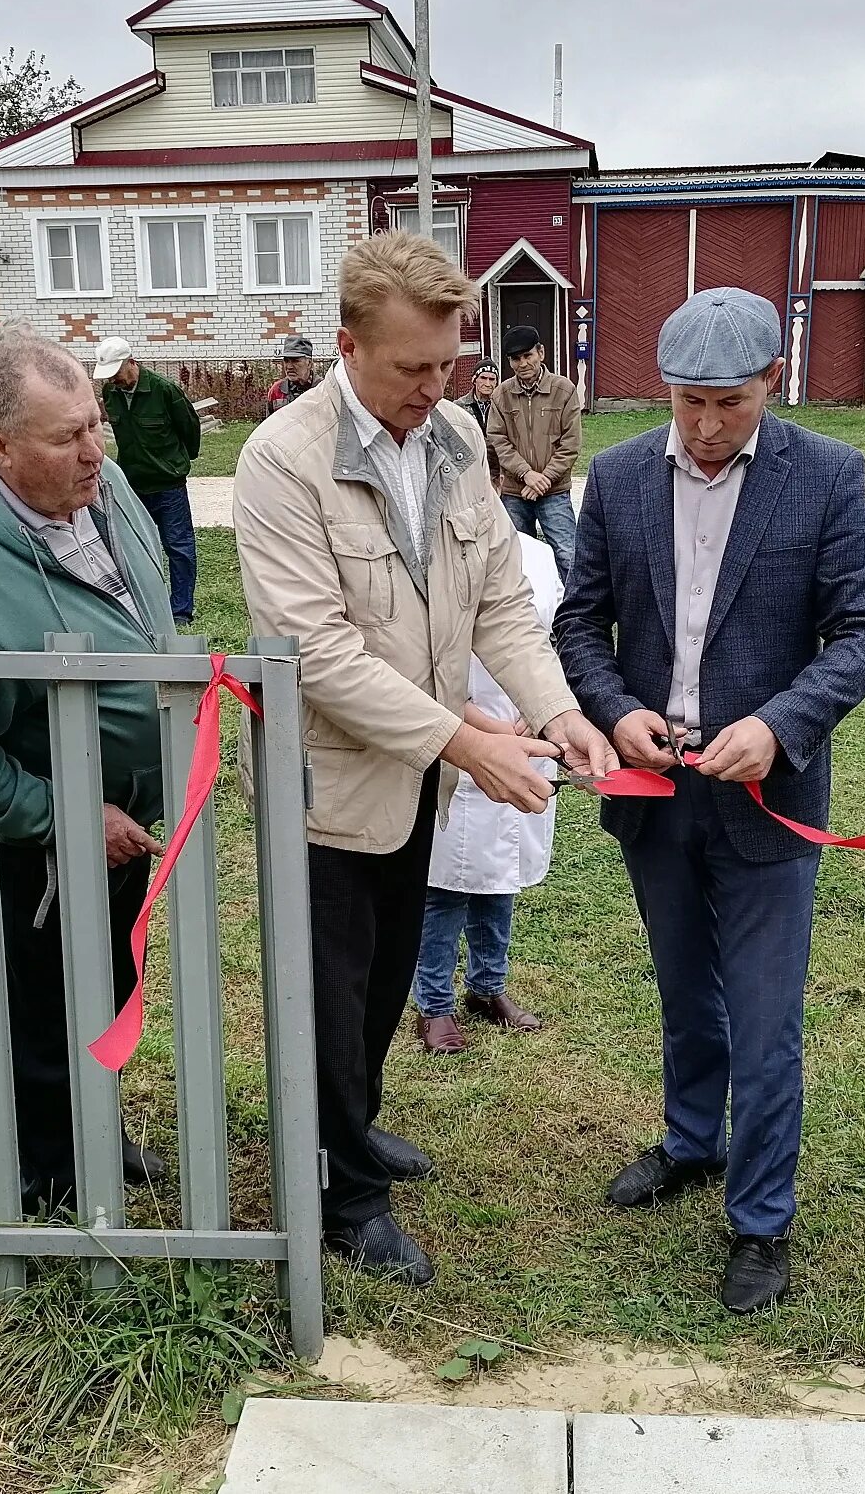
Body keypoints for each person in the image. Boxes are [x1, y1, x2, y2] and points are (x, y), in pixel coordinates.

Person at [233, 229, 617, 1286]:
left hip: (419, 778)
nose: (435, 388)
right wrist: (466, 740)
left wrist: (558, 711)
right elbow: (316, 653)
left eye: (448, 364)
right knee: (329, 995)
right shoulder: (282, 460)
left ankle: (351, 1127)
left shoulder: (451, 436)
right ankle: (340, 1196)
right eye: (412, 368)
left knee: (384, 977)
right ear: (348, 346)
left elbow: (500, 601)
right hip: (326, 787)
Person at [554, 287, 865, 1315]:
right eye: (687, 403)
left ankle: (760, 1220)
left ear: (771, 381)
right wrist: (616, 709)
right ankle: (692, 1140)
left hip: (766, 799)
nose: (705, 428)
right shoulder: (619, 477)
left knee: (764, 1018)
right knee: (683, 989)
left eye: (729, 404)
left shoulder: (825, 475)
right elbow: (580, 624)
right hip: (655, 795)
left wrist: (780, 726)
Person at [0, 331, 178, 1215]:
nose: (95, 450)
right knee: (47, 1002)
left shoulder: (102, 486)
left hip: (126, 818)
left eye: (95, 423)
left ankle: (96, 1130)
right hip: (45, 842)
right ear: (0, 448)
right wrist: (64, 815)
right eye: (67, 436)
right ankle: (53, 1183)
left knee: (107, 982)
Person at [410, 529, 560, 1054]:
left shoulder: (537, 554)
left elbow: (551, 643)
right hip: (457, 736)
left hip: (527, 736)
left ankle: (487, 987)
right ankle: (434, 1004)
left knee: (500, 878)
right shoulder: (428, 551)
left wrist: (541, 714)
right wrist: (490, 732)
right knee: (446, 886)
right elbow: (424, 667)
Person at [93, 336, 202, 625]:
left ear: (132, 362)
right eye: (108, 375)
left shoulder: (164, 389)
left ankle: (180, 611)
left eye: (116, 372)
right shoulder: (111, 392)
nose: (113, 380)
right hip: (132, 485)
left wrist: (176, 463)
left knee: (178, 547)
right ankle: (141, 606)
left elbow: (190, 428)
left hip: (168, 486)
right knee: (132, 547)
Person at [485, 325, 581, 581]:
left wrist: (544, 478)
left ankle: (575, 605)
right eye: (516, 359)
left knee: (568, 554)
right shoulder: (501, 395)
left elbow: (570, 443)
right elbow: (497, 440)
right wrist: (526, 474)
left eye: (528, 355)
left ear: (541, 353)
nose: (523, 363)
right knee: (517, 557)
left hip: (554, 491)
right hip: (515, 492)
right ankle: (529, 605)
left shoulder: (564, 390)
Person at [454, 361, 501, 485]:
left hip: (497, 471)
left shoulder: (503, 406)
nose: (487, 383)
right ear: (474, 380)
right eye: (483, 378)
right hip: (470, 472)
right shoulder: (459, 406)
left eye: (492, 379)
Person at [265, 333, 320, 415]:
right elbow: (269, 422)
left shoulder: (323, 389)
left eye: (295, 361)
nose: (289, 366)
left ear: (309, 363)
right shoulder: (276, 391)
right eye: (286, 361)